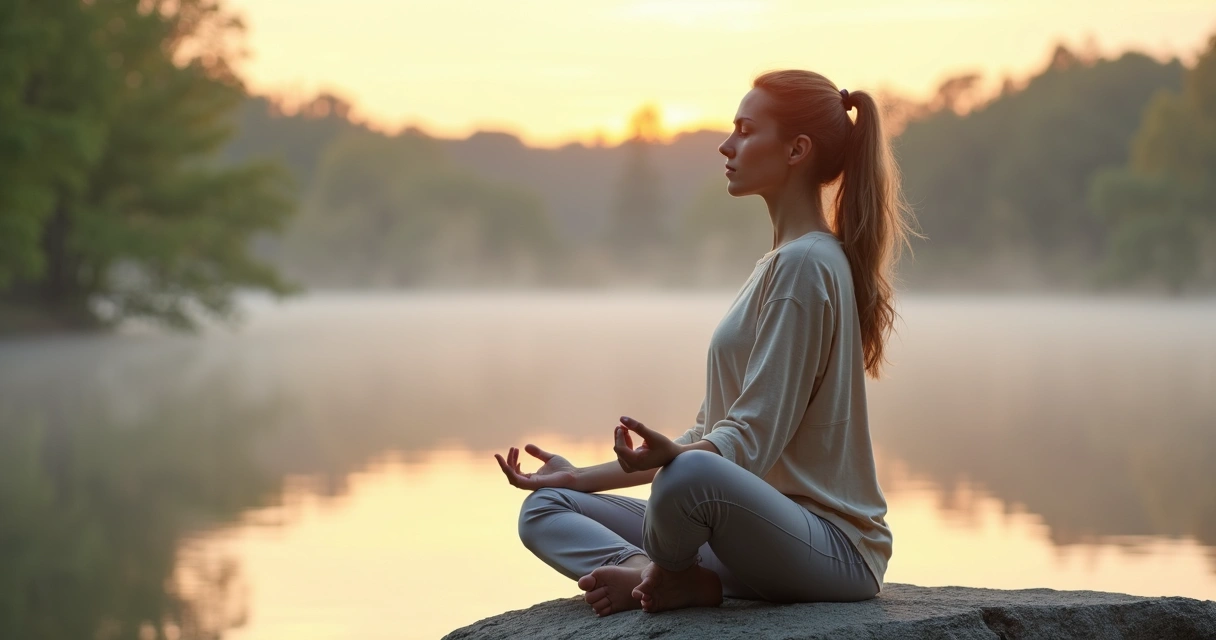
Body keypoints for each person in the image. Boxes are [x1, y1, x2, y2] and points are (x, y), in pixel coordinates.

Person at [494, 69, 918, 616]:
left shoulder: (807, 266)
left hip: (831, 550)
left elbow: (749, 439)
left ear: (797, 149)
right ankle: (664, 579)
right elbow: (713, 434)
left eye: (745, 129)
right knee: (547, 505)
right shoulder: (779, 263)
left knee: (688, 476)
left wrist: (679, 460)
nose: (727, 144)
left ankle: (659, 577)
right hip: (746, 535)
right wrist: (580, 476)